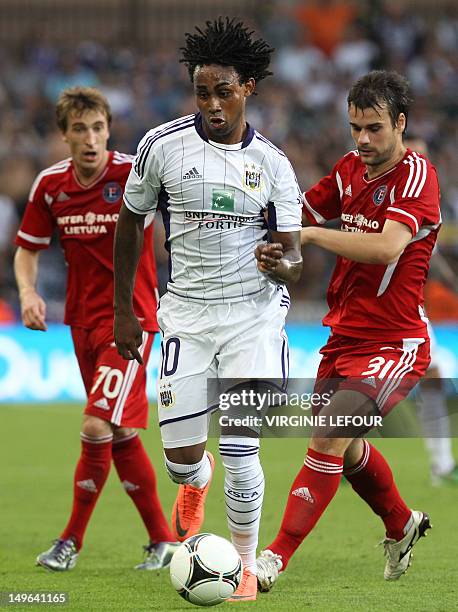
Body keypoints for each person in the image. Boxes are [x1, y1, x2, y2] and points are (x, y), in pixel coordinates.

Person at [113, 18, 303, 601]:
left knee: (243, 443)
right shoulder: (161, 146)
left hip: (253, 314)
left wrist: (283, 265)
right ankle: (195, 480)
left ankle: (244, 565)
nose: (212, 103)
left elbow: (296, 257)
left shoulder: (273, 165)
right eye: (202, 90)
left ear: (248, 88)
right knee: (180, 458)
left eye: (224, 90)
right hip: (186, 316)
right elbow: (130, 222)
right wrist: (125, 309)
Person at [255, 70, 440, 590]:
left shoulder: (417, 177)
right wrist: (266, 232)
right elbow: (296, 213)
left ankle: (273, 558)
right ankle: (402, 523)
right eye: (355, 127)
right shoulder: (346, 171)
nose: (362, 139)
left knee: (330, 434)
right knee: (347, 447)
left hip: (394, 340)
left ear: (400, 124)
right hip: (343, 337)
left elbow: (385, 248)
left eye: (374, 128)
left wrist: (311, 235)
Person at [14, 87, 177, 572]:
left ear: (109, 129)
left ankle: (70, 542)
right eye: (80, 129)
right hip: (81, 323)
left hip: (130, 323)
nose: (91, 139)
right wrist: (27, 292)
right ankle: (162, 541)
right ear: (64, 135)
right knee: (120, 430)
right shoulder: (50, 185)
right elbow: (27, 249)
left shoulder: (133, 175)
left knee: (93, 423)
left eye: (99, 128)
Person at [403, 136, 458, 486]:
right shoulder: (395, 199)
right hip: (390, 308)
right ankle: (343, 454)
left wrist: (450, 281)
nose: (423, 163)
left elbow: (431, 254)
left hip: (411, 307)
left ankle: (442, 464)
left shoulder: (427, 198)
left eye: (426, 156)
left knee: (432, 379)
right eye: (416, 156)